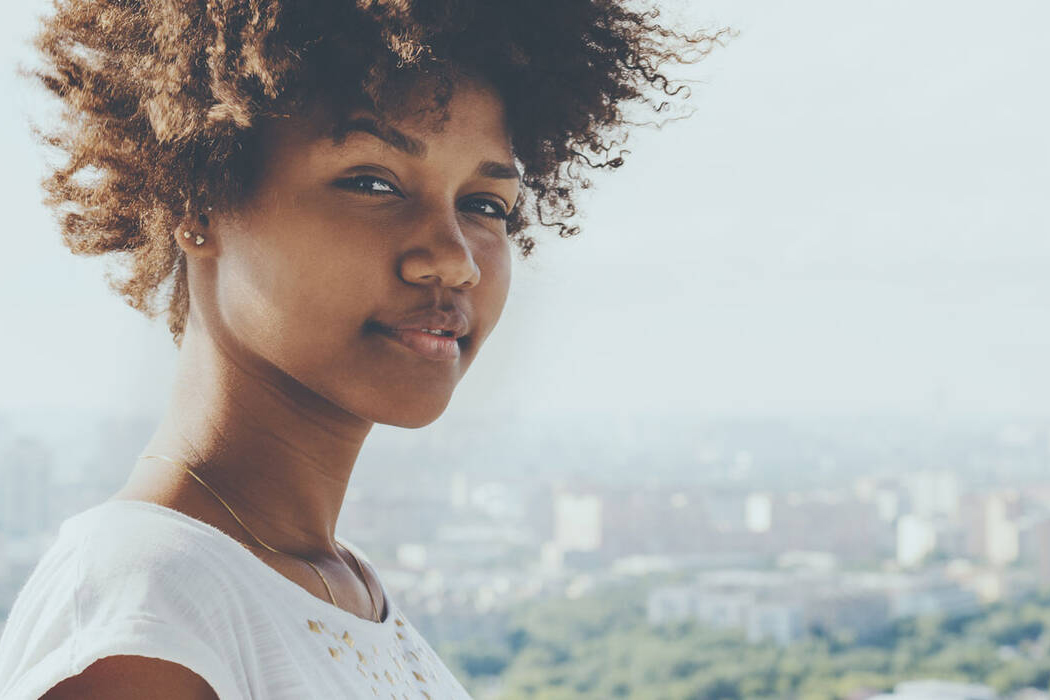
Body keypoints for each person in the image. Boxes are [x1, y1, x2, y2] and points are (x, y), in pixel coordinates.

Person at [0, 1, 725, 697]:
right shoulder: (147, 621)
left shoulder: (338, 586)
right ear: (199, 199)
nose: (453, 259)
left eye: (484, 205)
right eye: (373, 182)